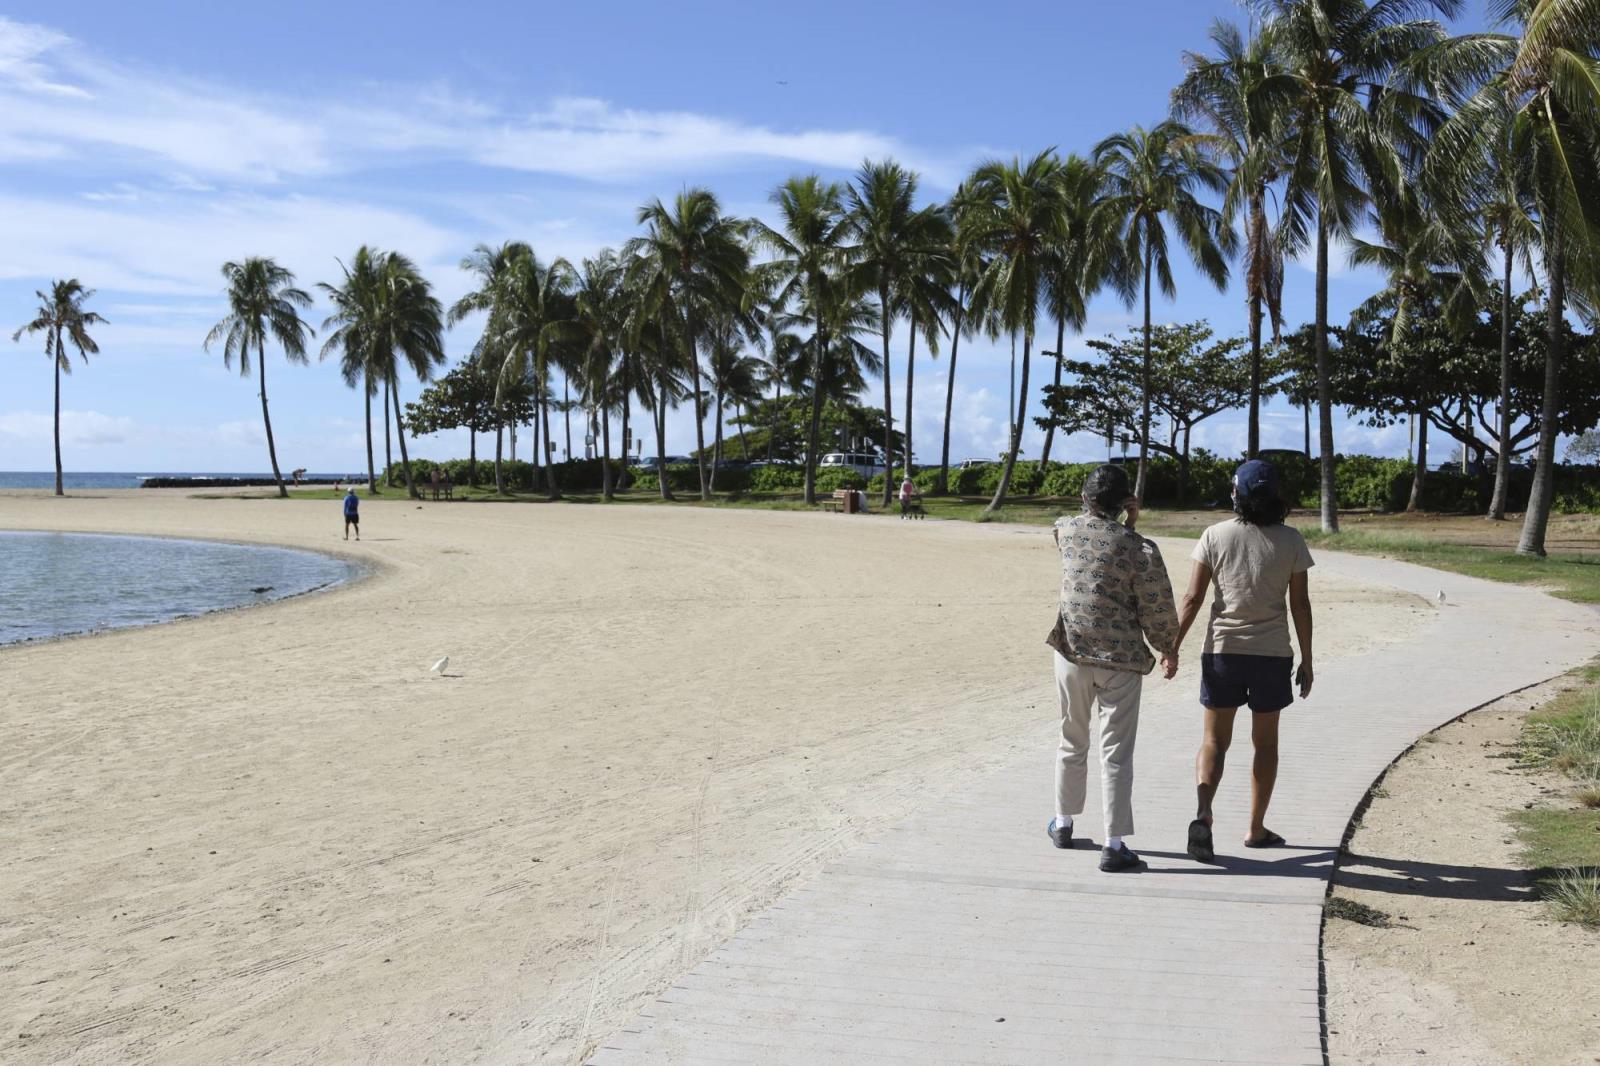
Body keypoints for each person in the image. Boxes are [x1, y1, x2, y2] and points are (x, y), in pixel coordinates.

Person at [1173, 459, 1314, 861]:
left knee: (1215, 741)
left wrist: (1173, 647)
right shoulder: (1291, 540)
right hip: (1271, 655)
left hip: (1222, 652)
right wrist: (1307, 659)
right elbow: (1300, 605)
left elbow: (1192, 599)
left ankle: (1204, 812)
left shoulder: (1214, 535)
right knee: (1265, 744)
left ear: (1235, 494)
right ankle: (1255, 828)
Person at [1046, 464, 1180, 872]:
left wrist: (1118, 519)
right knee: (1116, 755)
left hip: (1071, 652)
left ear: (1084, 498)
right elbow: (1156, 606)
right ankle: (1114, 843)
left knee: (1072, 740)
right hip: (1120, 660)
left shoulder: (1064, 530)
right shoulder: (1140, 549)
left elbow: (1082, 542)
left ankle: (1064, 823)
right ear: (1126, 502)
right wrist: (1167, 648)